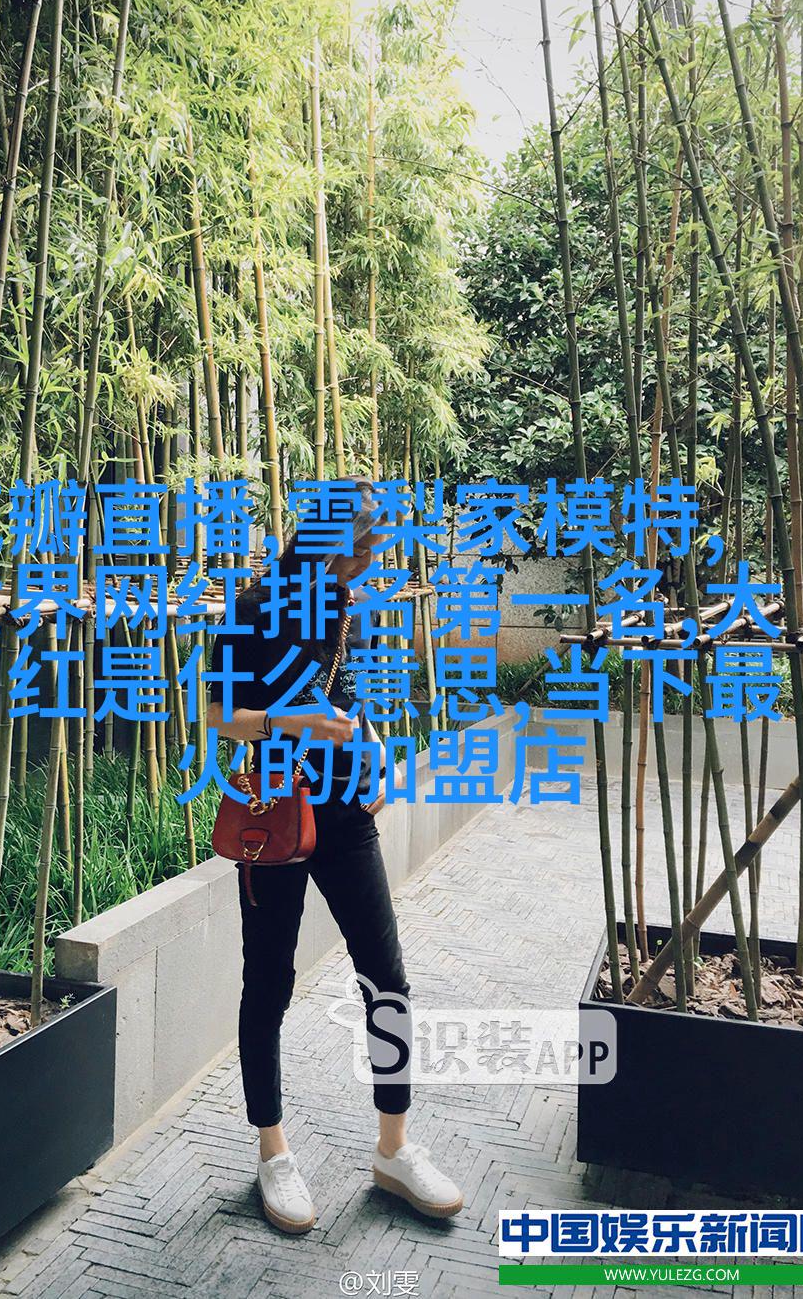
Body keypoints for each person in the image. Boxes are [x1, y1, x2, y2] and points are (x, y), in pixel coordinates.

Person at [206, 478, 464, 1234]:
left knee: (387, 977)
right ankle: (273, 1152)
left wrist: (378, 754)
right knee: (269, 983)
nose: (372, 560)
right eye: (364, 546)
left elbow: (349, 696)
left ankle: (394, 1148)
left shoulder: (348, 605)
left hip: (347, 813)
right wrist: (289, 722)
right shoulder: (254, 608)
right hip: (274, 815)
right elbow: (217, 714)